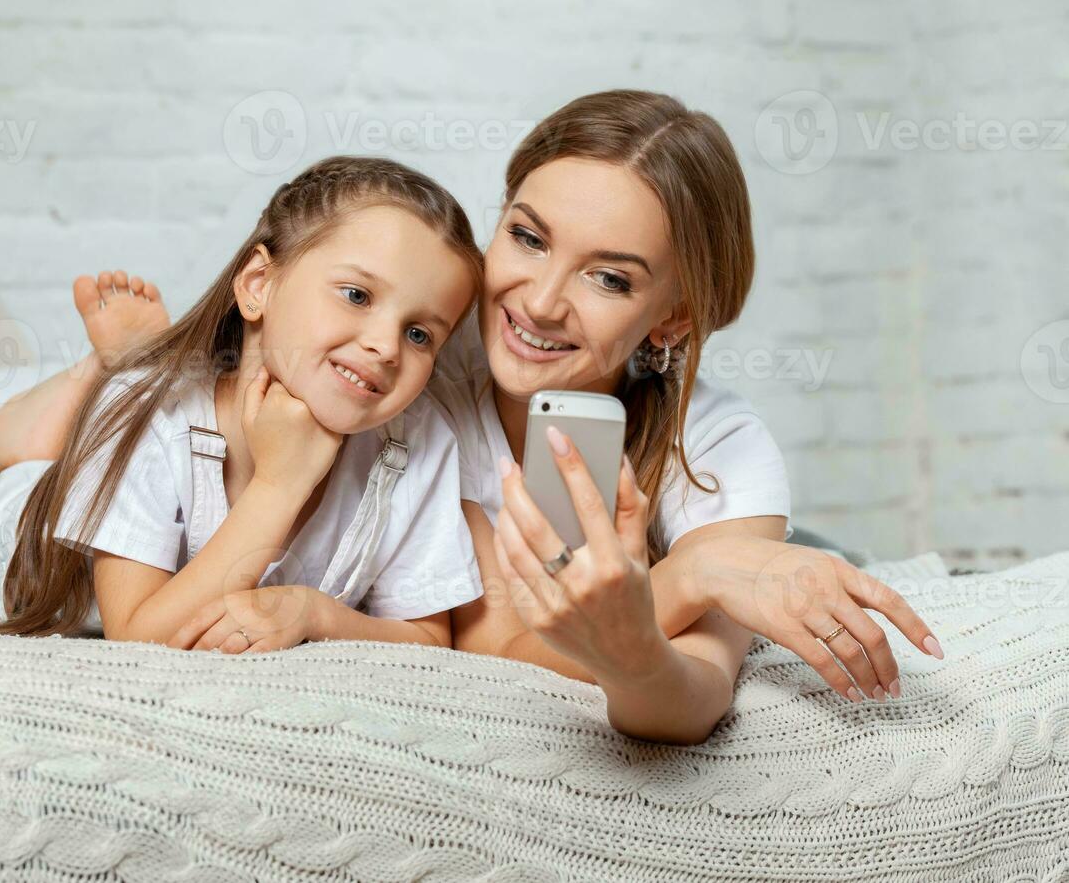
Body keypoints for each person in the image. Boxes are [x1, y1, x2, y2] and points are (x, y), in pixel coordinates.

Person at [92, 91, 943, 745]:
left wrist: (655, 635)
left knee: (813, 564)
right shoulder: (414, 375)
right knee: (89, 403)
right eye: (528, 238)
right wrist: (695, 579)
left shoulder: (716, 448)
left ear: (673, 320)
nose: (538, 302)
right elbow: (490, 641)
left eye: (609, 279)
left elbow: (695, 695)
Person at [0, 156, 487, 652]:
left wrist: (314, 613)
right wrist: (280, 484)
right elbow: (143, 635)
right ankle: (7, 435)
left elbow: (429, 637)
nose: (387, 346)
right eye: (356, 295)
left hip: (124, 456)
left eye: (421, 333)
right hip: (22, 551)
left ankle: (114, 377)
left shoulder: (414, 443)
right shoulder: (160, 420)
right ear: (258, 286)